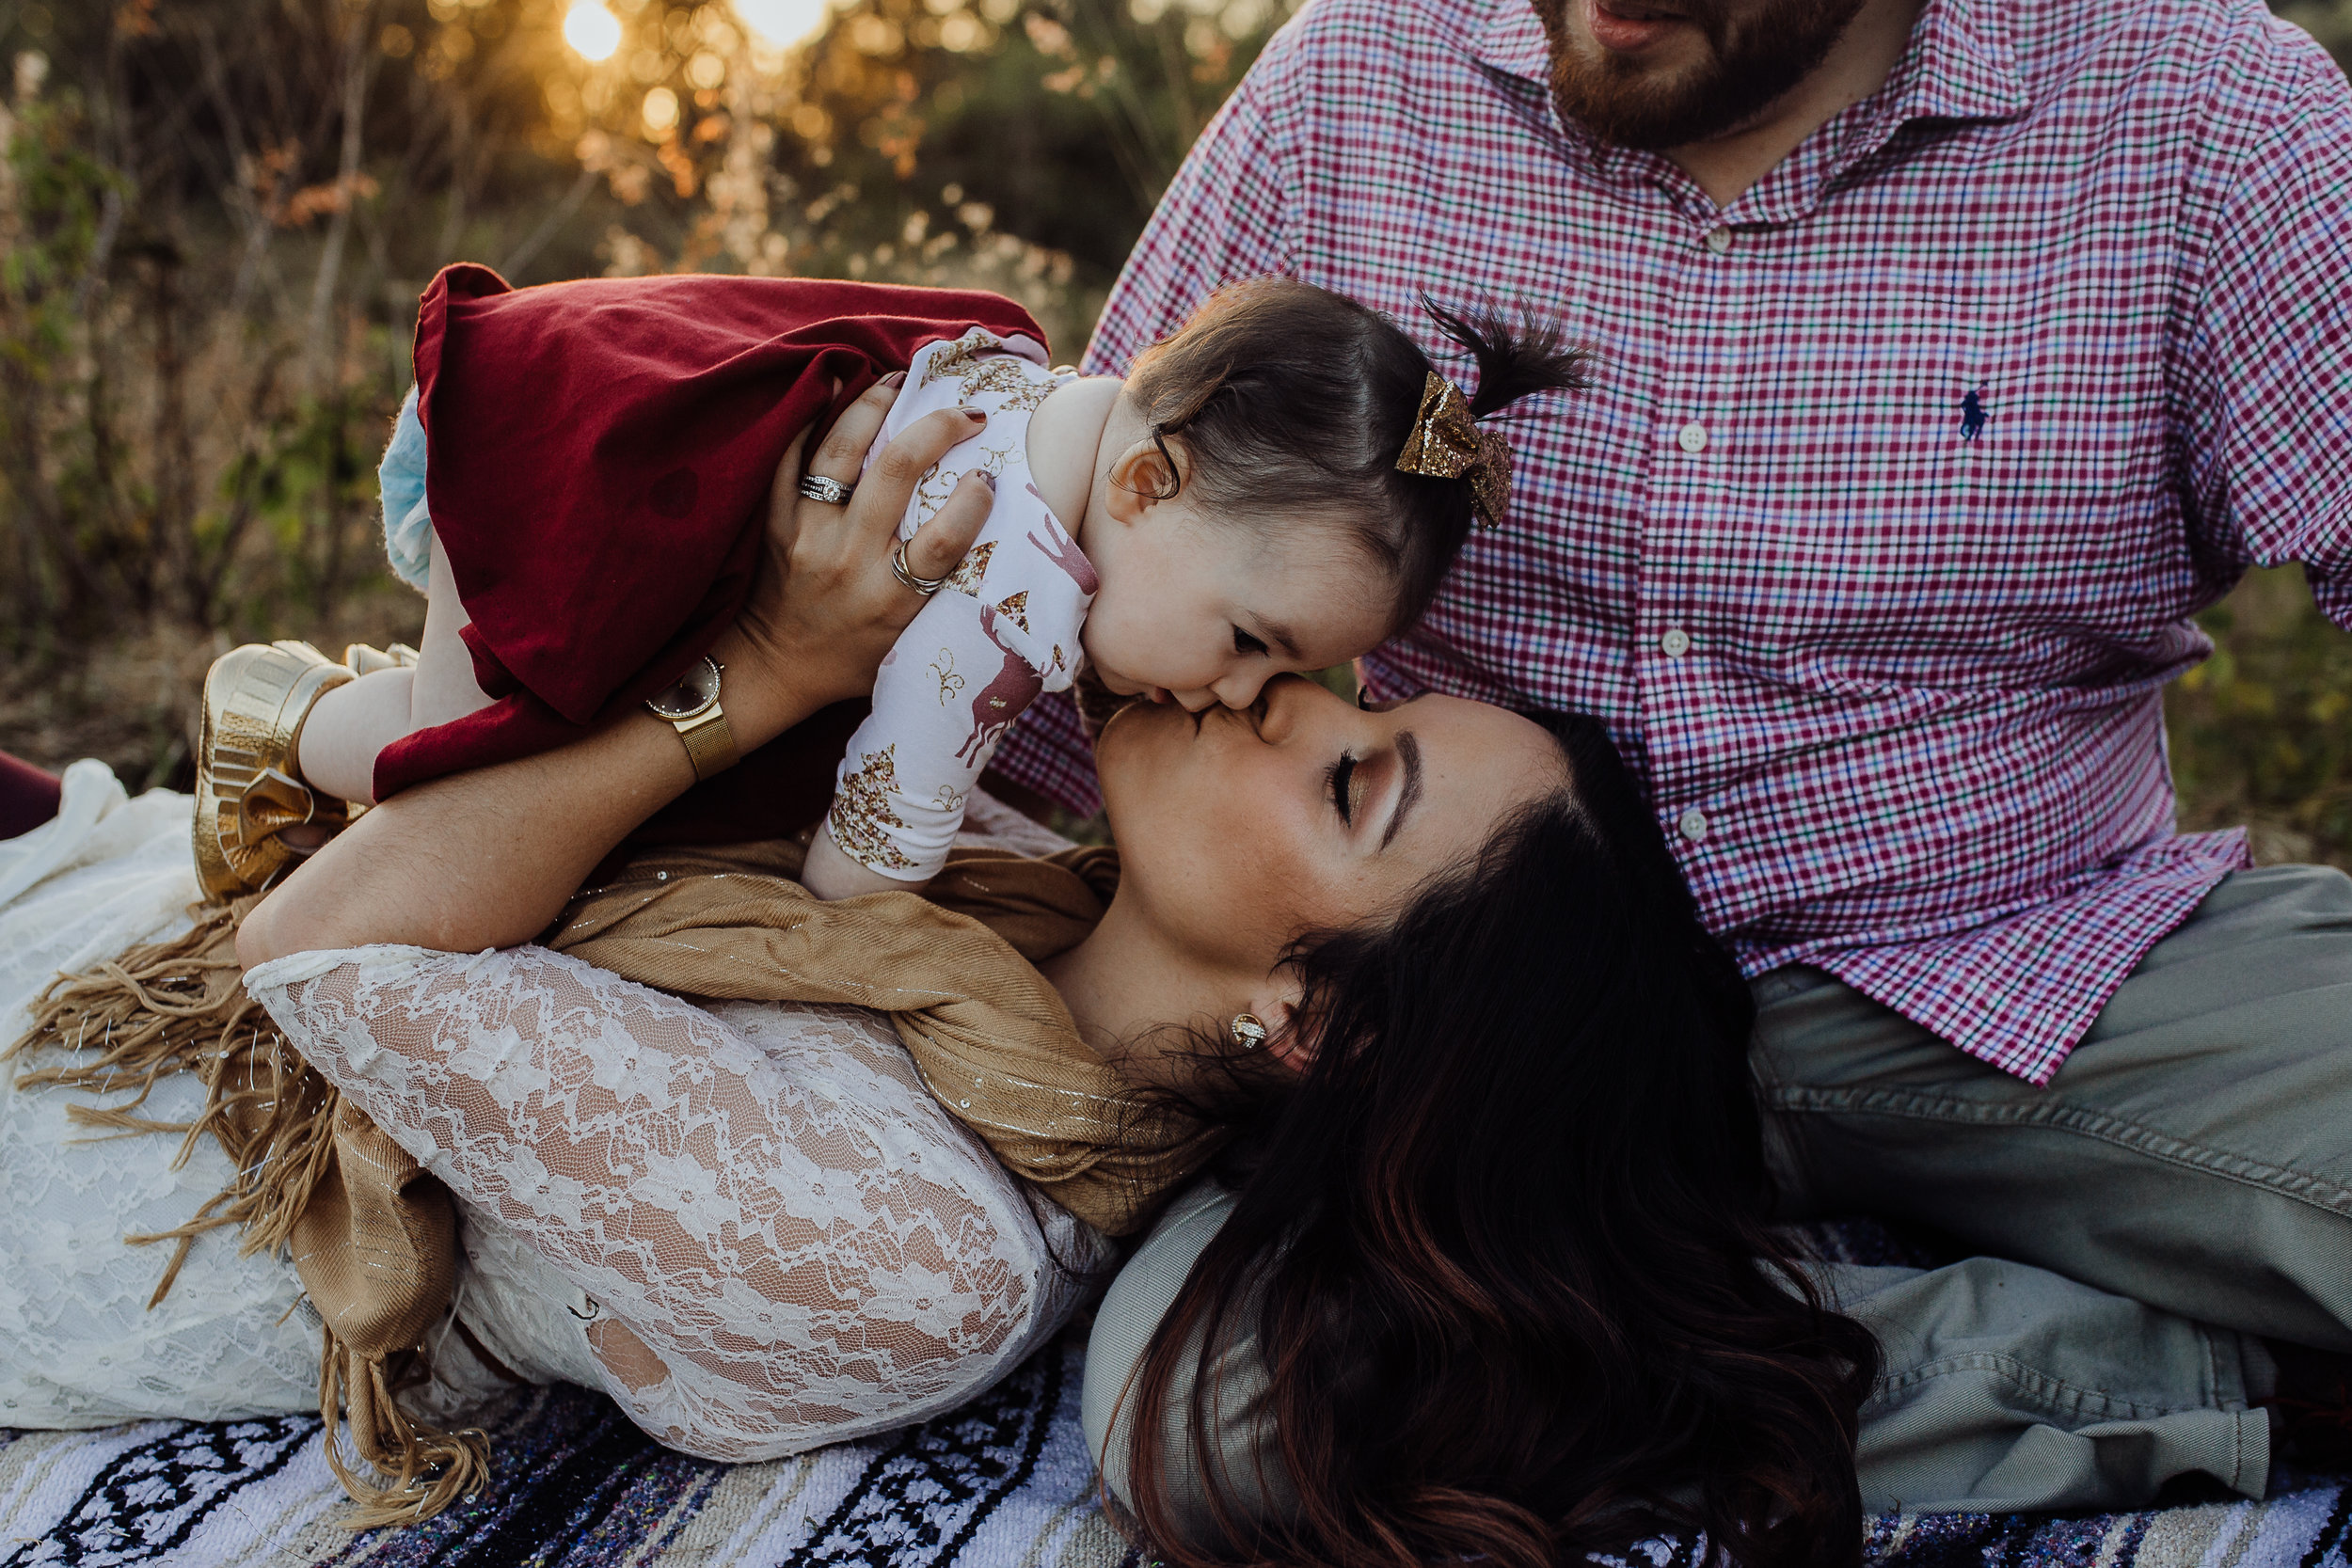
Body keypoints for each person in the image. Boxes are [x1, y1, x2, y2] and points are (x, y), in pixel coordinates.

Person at [0, 385, 2280, 1557]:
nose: (1280, 689)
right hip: (67, 873)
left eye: (1350, 778)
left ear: (1315, 1024)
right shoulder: (977, 872)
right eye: (1340, 681)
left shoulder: (913, 1250)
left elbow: (325, 945)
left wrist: (764, 680)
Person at [995, 0, 2352, 1549]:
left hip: (2034, 959)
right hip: (1485, 1015)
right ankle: (2178, 1376)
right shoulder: (1351, 87)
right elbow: (1091, 583)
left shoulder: (2206, 108)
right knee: (1224, 1422)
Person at [192, 267, 1582, 915]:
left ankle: (275, 712)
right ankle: (280, 741)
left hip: (586, 426)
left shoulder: (1050, 409)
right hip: (567, 473)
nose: (1231, 695)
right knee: (478, 799)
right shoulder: (1022, 577)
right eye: (1249, 644)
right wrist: (868, 905)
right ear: (1153, 487)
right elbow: (897, 788)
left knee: (561, 763)